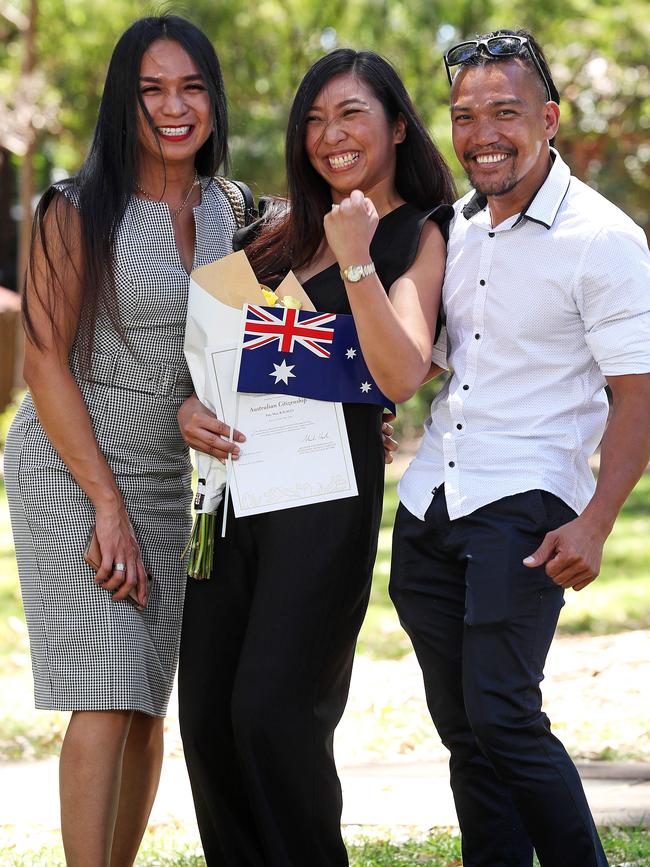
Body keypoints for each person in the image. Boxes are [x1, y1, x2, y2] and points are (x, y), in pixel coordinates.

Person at [177, 48, 456, 866]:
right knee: (208, 716)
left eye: (352, 114)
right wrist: (191, 405)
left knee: (273, 711)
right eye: (314, 119)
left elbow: (401, 370)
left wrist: (358, 255)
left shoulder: (418, 232)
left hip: (322, 506)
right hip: (228, 499)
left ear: (398, 125)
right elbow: (215, 357)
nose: (329, 135)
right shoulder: (270, 236)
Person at [390, 27, 650, 867]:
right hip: (432, 504)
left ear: (550, 118)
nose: (482, 134)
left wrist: (597, 523)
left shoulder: (602, 239)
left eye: (505, 111)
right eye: (465, 116)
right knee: (468, 732)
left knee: (503, 712)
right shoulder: (458, 227)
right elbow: (447, 353)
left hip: (526, 507)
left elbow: (638, 395)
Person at [3, 15, 249, 866]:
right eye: (152, 90)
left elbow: (246, 335)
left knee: (147, 699)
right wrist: (104, 500)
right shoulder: (78, 207)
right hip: (71, 468)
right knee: (106, 692)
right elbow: (43, 362)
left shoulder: (230, 211)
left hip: (164, 476)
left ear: (214, 100)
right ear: (123, 102)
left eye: (191, 88)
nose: (174, 108)